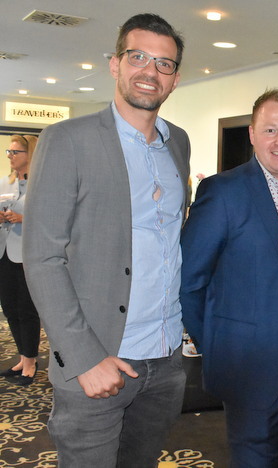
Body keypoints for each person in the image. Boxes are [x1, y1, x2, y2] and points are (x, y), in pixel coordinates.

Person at [23, 13, 190, 468]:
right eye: (138, 57)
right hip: (98, 359)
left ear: (175, 79)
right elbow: (42, 257)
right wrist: (84, 359)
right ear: (115, 64)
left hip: (165, 358)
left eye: (164, 63)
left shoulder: (178, 143)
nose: (150, 71)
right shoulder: (67, 139)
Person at [180, 88, 278, 468]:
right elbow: (188, 281)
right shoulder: (224, 191)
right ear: (252, 134)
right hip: (252, 367)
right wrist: (219, 346)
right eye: (270, 130)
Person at [0, 134, 40, 386]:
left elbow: (52, 219)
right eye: (9, 152)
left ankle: (31, 361)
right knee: (10, 309)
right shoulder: (5, 182)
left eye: (15, 152)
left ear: (30, 155)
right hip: (3, 252)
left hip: (26, 255)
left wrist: (24, 219)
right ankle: (22, 357)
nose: (10, 156)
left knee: (26, 309)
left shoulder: (41, 184)